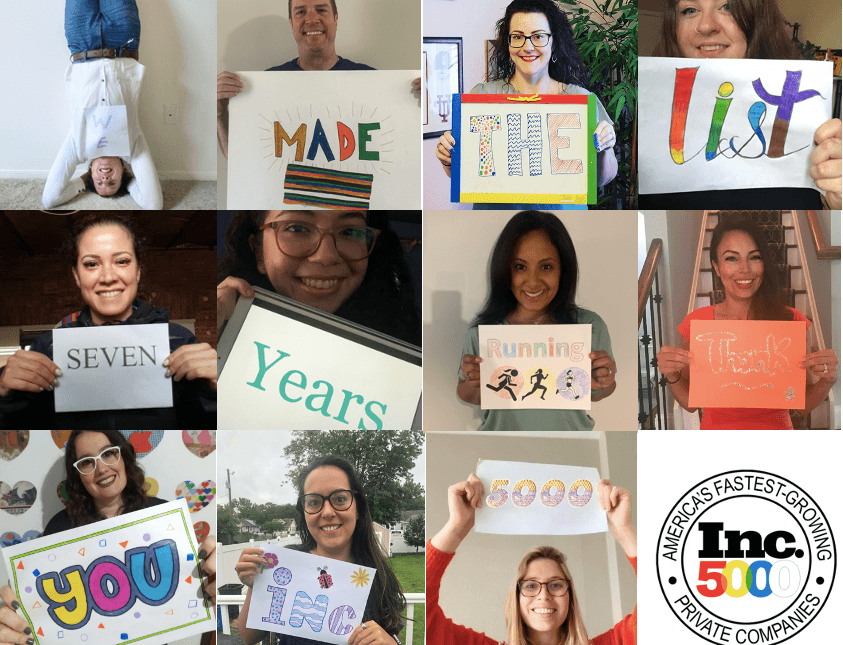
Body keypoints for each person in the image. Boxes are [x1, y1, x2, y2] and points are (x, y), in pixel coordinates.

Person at [0, 430, 217, 645]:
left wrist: (209, 578)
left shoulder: (163, 517)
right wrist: (21, 619)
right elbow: (40, 600)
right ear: (78, 475)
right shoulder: (60, 528)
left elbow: (185, 583)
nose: (101, 468)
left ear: (123, 457)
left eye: (108, 453)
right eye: (86, 462)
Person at [0, 214, 216, 427]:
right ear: (76, 276)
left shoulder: (180, 340)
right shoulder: (48, 348)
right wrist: (4, 394)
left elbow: (209, 429)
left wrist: (217, 389)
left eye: (121, 261)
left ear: (138, 271)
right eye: (91, 264)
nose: (107, 277)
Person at [642, 0, 841, 209]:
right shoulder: (648, 119)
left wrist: (834, 204)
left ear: (759, 19)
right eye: (690, 10)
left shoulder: (810, 122)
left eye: (727, 7)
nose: (706, 26)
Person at [427, 474, 636, 645]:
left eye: (556, 585)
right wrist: (456, 527)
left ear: (570, 596)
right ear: (515, 598)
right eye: (530, 585)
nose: (544, 595)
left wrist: (625, 530)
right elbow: (421, 613)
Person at [656, 216, 839, 429]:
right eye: (731, 259)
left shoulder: (792, 321)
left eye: (754, 257)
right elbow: (689, 403)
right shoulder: (696, 323)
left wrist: (829, 380)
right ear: (716, 267)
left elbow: (803, 405)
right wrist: (671, 375)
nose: (745, 269)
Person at [434, 0, 618, 211]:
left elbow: (603, 178)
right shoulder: (482, 95)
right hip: (496, 220)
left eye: (538, 36)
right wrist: (448, 158)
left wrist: (606, 147)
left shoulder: (580, 99)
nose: (527, 47)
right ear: (508, 43)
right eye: (518, 37)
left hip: (564, 220)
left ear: (553, 41)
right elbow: (464, 172)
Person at [233, 455, 405, 645]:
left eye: (340, 499)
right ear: (304, 512)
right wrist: (255, 585)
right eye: (314, 502)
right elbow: (249, 637)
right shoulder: (284, 564)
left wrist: (389, 643)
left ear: (358, 506)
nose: (327, 512)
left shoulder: (376, 574)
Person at [458, 212, 616, 430]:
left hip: (572, 447)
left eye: (546, 267)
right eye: (520, 267)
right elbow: (468, 394)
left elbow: (598, 393)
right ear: (505, 269)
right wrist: (471, 381)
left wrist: (604, 380)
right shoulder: (485, 331)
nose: (532, 282)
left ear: (563, 270)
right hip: (502, 448)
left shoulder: (589, 326)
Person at [217, 0, 420, 158]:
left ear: (335, 19)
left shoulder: (373, 81)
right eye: (300, 11)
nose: (312, 19)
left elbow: (398, 151)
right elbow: (238, 157)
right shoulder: (266, 84)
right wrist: (219, 113)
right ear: (291, 23)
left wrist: (420, 105)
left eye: (321, 10)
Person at [217, 210, 421, 345]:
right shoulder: (224, 328)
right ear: (259, 252)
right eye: (297, 228)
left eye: (350, 231)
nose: (327, 257)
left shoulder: (403, 340)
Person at [42, 0, 163, 210]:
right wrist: (130, 184)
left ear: (91, 174)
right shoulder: (132, 147)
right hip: (123, 38)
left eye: (99, 183)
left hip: (81, 42)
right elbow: (153, 205)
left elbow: (49, 200)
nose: (104, 177)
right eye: (113, 182)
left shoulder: (78, 146)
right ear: (124, 172)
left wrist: (84, 181)